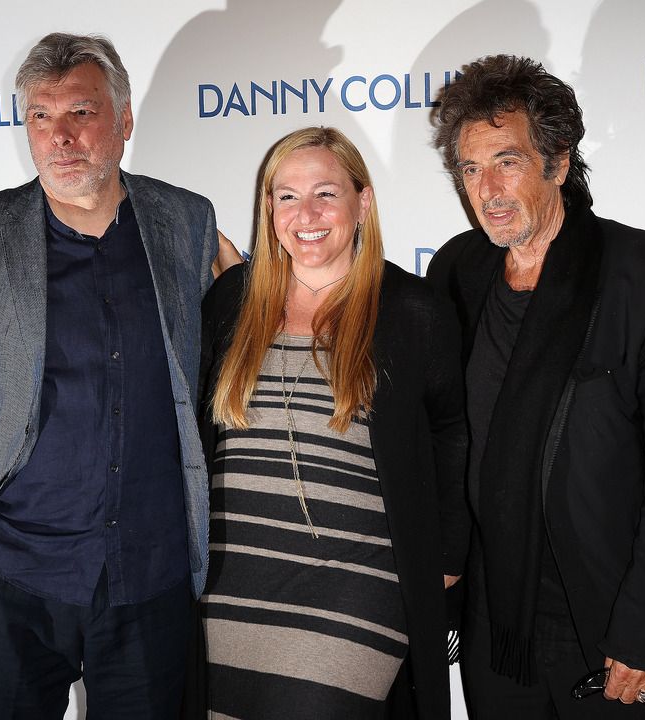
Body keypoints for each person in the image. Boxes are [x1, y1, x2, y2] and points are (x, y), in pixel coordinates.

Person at [0, 32, 222, 718]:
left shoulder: (186, 223)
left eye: (80, 113)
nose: (59, 138)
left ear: (124, 121)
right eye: (41, 117)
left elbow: (222, 365)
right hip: (15, 576)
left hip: (151, 574)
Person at [425, 55, 645, 719]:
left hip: (617, 619)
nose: (486, 190)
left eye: (507, 161)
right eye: (470, 169)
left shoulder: (644, 277)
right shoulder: (459, 272)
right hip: (500, 627)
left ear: (558, 162)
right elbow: (443, 432)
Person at [197, 127, 469, 719]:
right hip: (234, 575)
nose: (307, 214)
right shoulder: (231, 302)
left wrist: (447, 560)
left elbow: (453, 434)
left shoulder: (413, 311)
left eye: (326, 193)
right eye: (287, 197)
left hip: (356, 581)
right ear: (268, 209)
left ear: (362, 202)